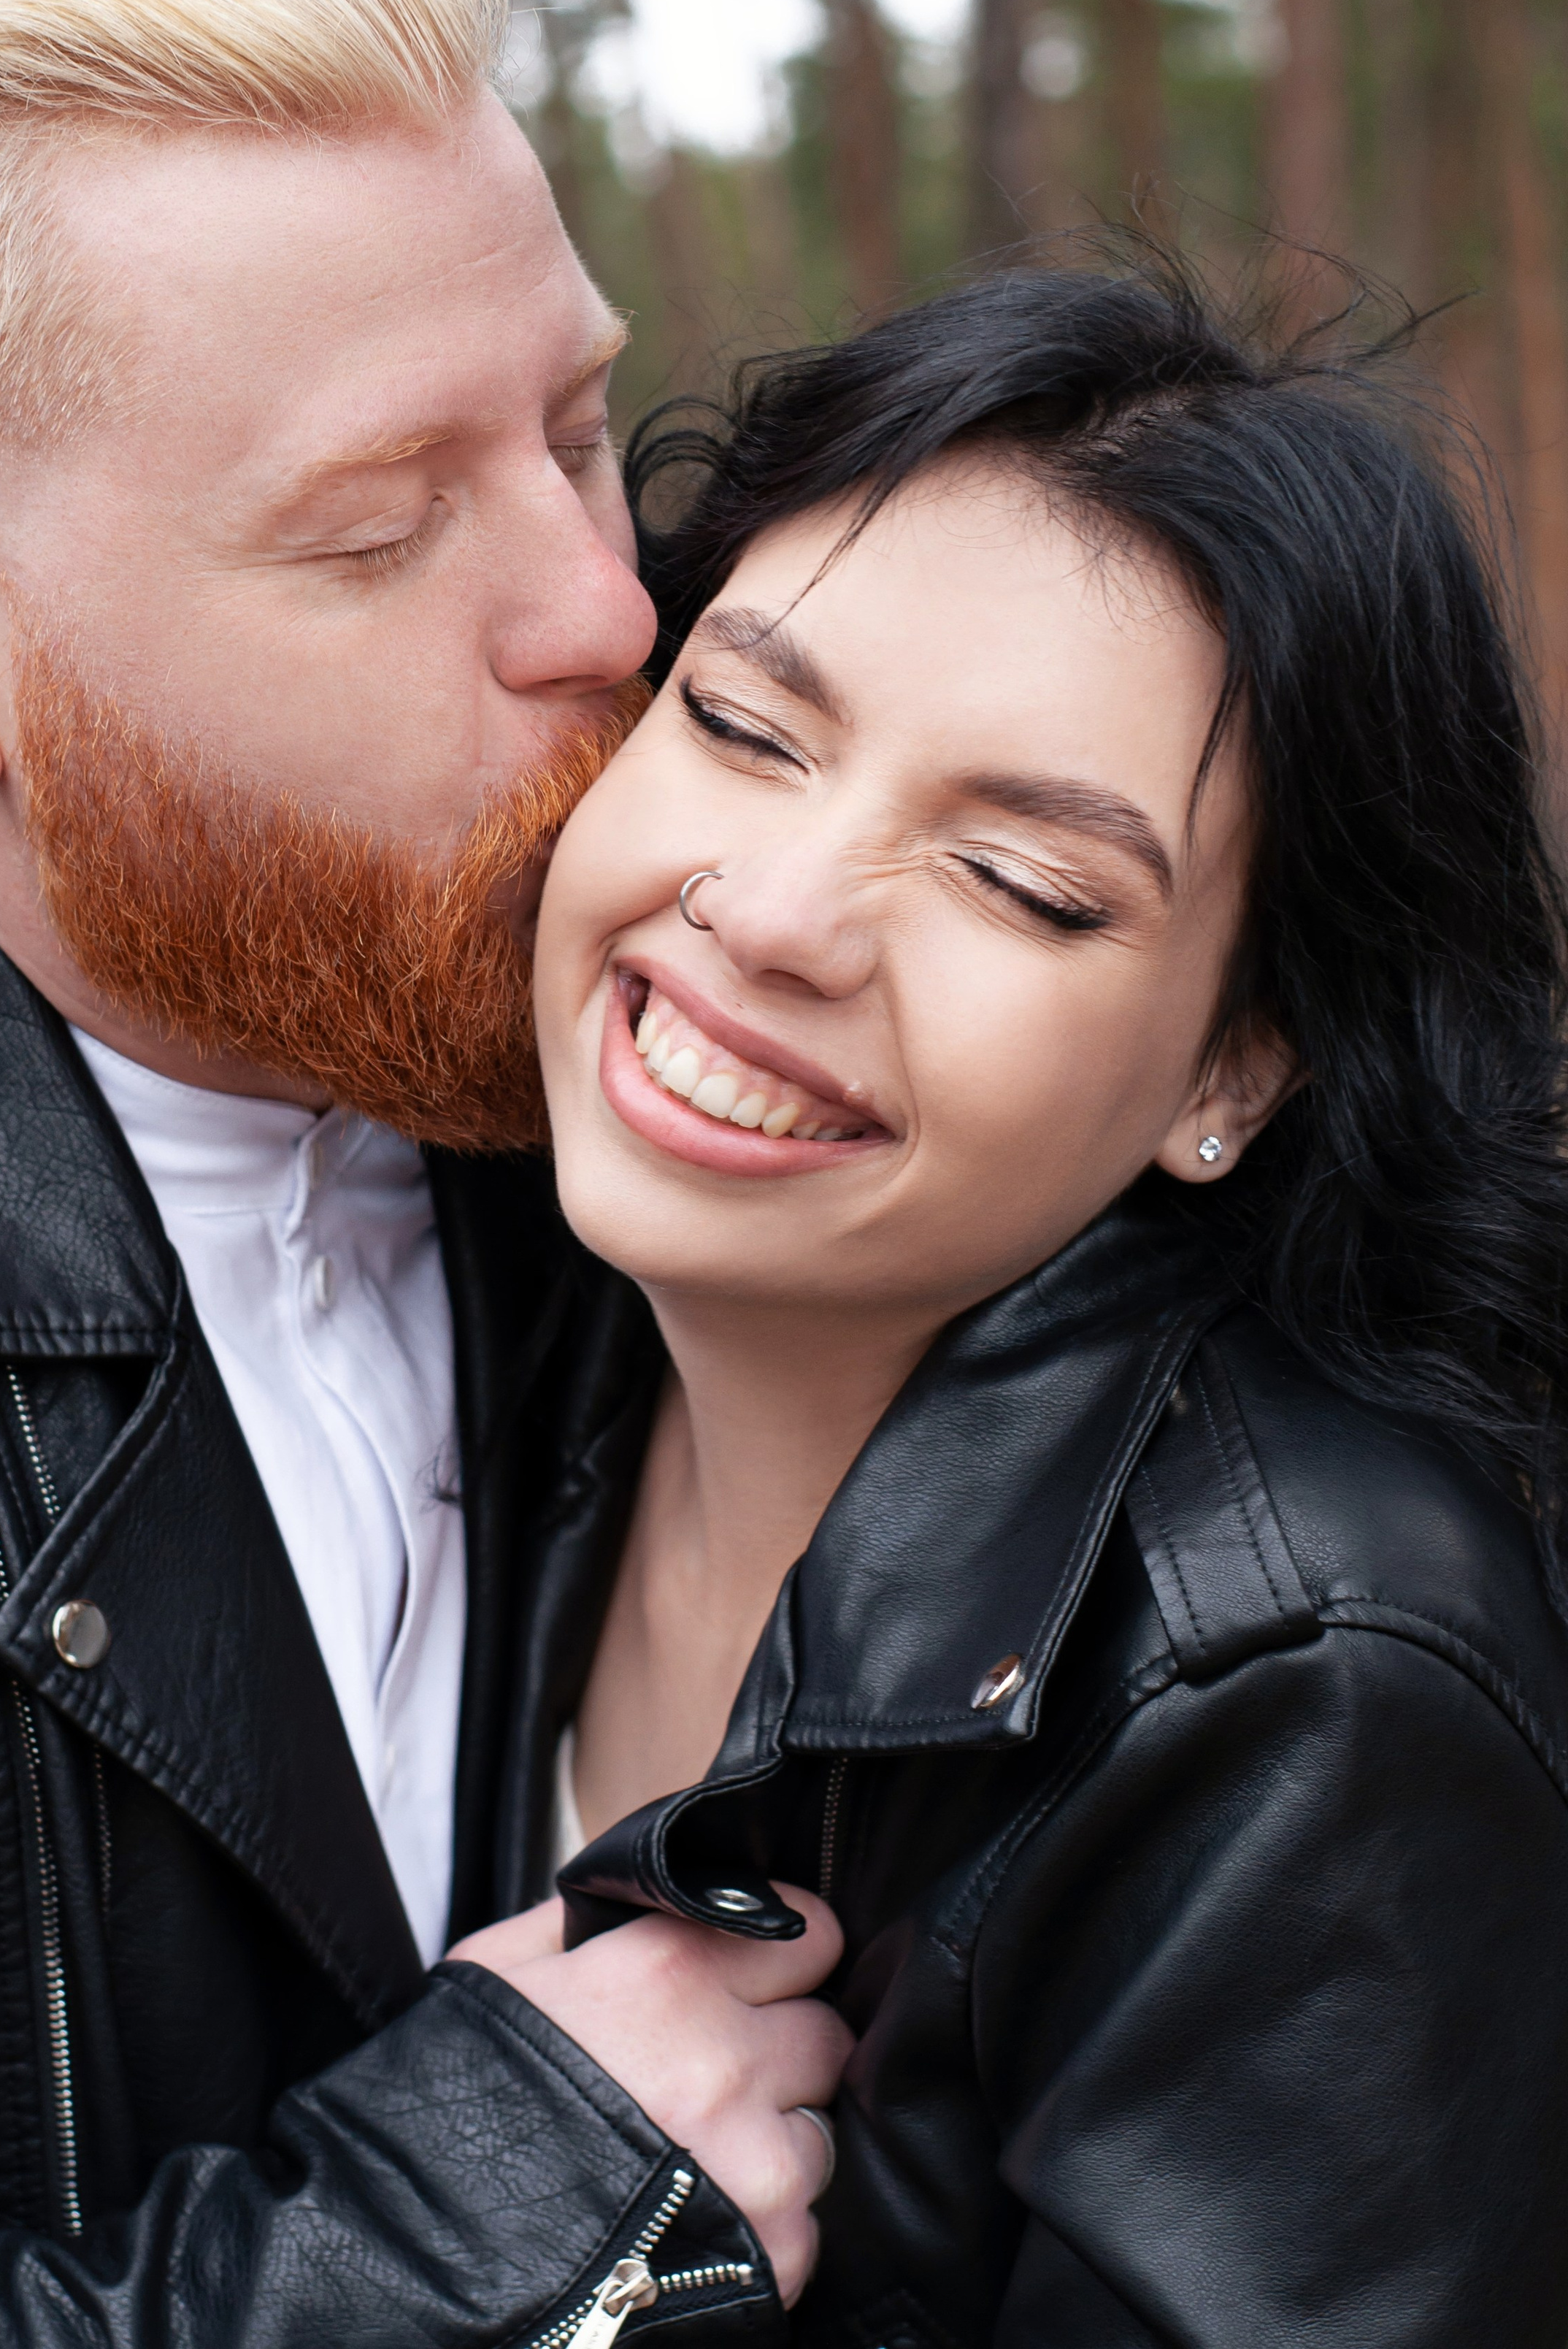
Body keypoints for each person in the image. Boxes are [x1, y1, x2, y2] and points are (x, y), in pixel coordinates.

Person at [0, 0, 847, 2343]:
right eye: (369, 531)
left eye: (570, 425)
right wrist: (462, 2227)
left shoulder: (670, 1072)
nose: (597, 605)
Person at [491, 261, 1568, 2344]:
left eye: (1024, 883)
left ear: (1236, 1067)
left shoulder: (1309, 1702)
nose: (778, 915)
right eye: (741, 724)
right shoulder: (481, 1306)